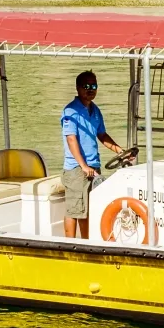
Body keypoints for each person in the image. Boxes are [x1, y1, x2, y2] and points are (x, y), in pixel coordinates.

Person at [62, 70, 124, 239]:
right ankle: (71, 245)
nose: (90, 90)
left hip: (93, 166)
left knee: (88, 209)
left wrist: (120, 151)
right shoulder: (70, 111)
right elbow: (71, 140)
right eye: (86, 86)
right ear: (77, 88)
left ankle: (87, 242)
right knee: (74, 209)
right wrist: (83, 166)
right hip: (77, 168)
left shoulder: (95, 110)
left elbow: (102, 135)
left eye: (94, 86)